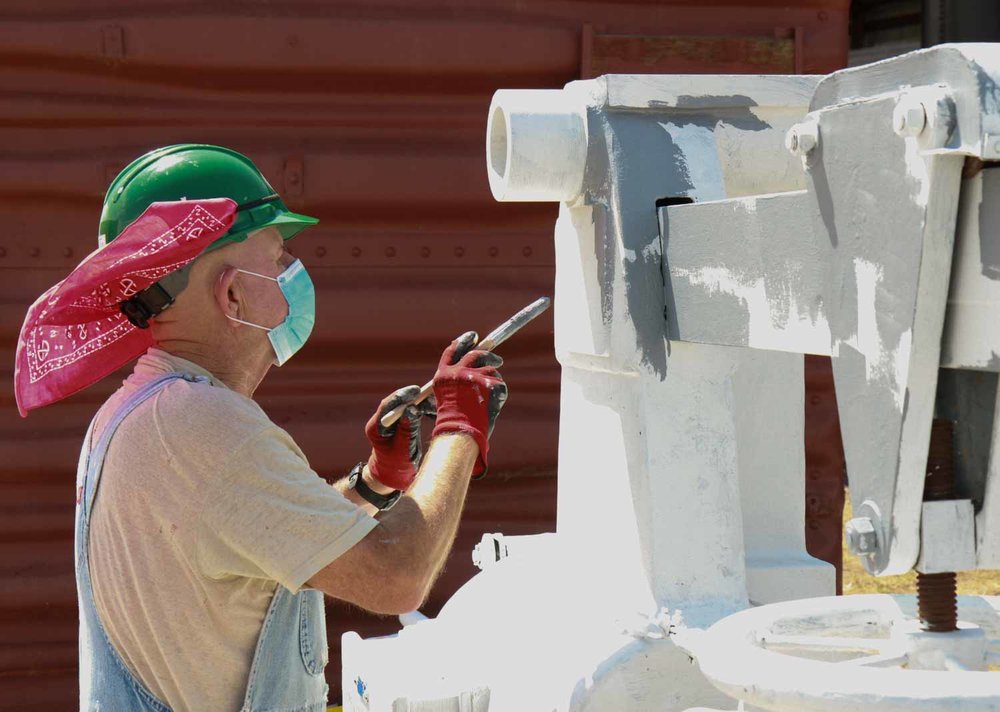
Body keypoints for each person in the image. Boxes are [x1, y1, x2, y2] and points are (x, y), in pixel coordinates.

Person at [14, 145, 508, 711]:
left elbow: (250, 542)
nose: (293, 274)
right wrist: (459, 427)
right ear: (231, 293)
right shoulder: (203, 427)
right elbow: (397, 576)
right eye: (278, 259)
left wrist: (374, 481)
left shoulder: (141, 414)